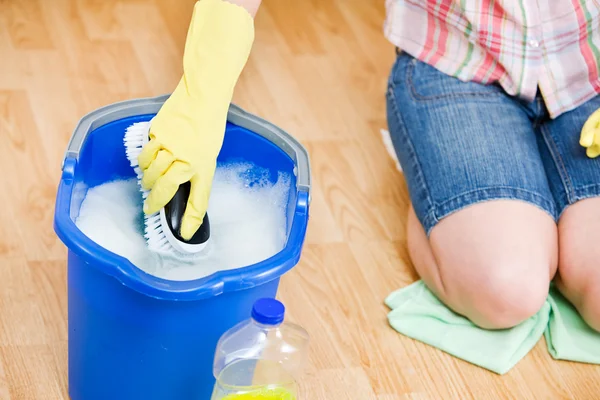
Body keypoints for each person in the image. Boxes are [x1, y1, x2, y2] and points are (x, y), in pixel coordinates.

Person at [139, 0, 600, 332]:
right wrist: (202, 94)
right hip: (458, 70)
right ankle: (432, 178)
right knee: (505, 291)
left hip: (591, 73)